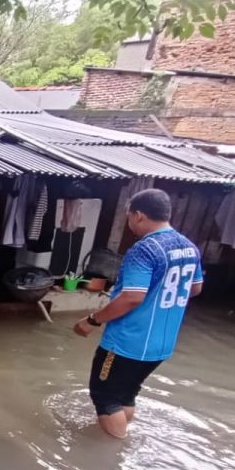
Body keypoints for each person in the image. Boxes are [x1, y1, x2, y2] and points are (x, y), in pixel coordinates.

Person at [73, 188, 204, 439]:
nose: (130, 223)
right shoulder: (189, 248)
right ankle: (118, 435)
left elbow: (132, 297)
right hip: (161, 344)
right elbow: (195, 288)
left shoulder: (144, 249)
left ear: (139, 215)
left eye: (129, 216)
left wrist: (92, 321)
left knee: (105, 396)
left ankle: (112, 459)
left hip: (128, 342)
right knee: (126, 394)